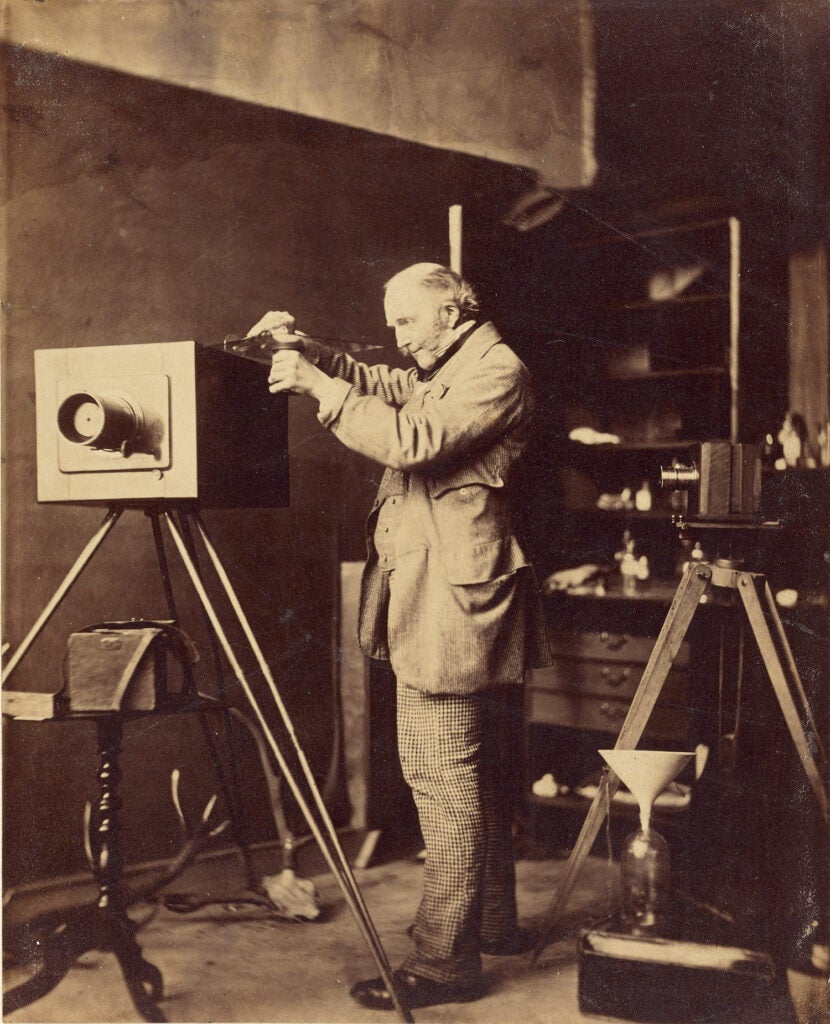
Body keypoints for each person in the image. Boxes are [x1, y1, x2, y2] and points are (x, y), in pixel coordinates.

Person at [250, 262, 550, 1011]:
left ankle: (445, 966)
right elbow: (383, 384)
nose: (396, 337)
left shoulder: (497, 370)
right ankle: (494, 923)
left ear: (452, 312)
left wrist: (317, 388)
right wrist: (307, 350)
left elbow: (412, 437)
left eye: (407, 323)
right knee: (468, 779)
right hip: (441, 596)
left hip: (452, 607)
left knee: (442, 782)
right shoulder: (451, 358)